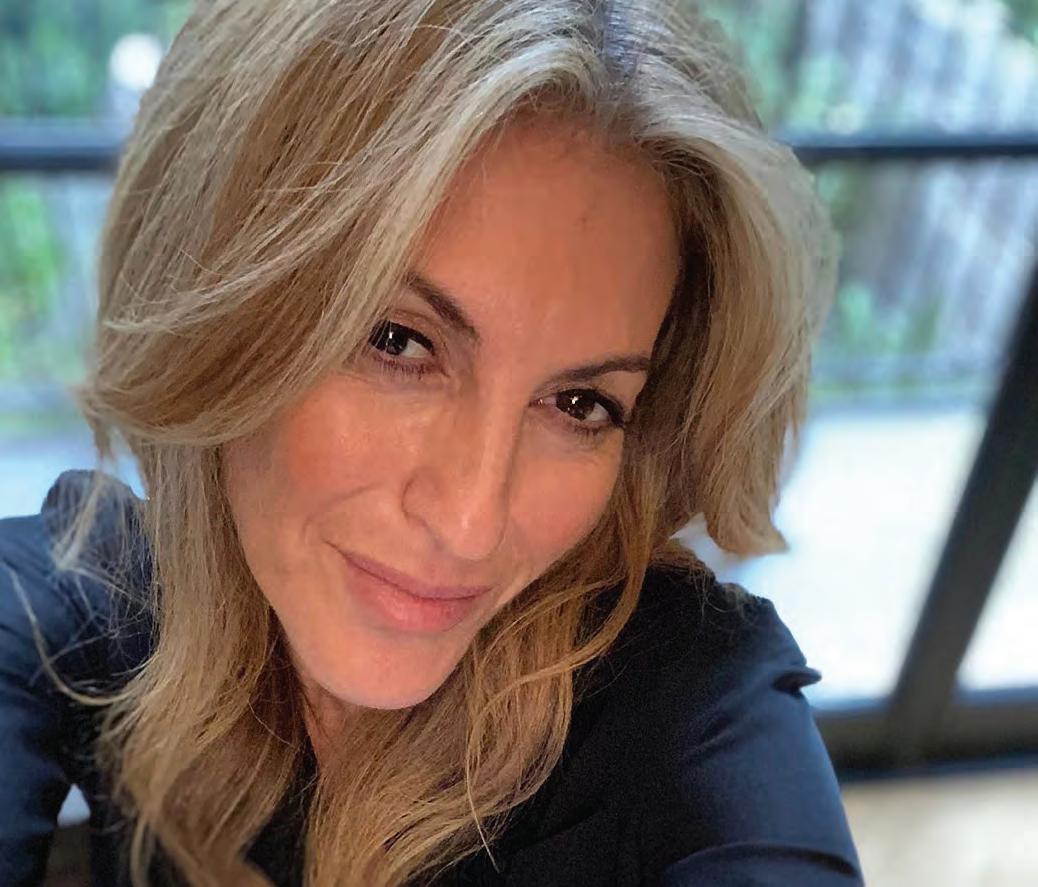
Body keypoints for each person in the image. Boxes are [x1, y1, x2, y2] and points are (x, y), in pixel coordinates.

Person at [0, 1, 863, 885]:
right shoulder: (101, 599)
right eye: (399, 342)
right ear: (218, 296)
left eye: (580, 403)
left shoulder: (694, 712)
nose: (470, 522)